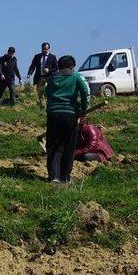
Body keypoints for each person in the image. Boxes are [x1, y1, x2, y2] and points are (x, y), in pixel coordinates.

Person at [45, 55, 90, 184]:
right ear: (72, 66)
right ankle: (65, 177)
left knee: (54, 146)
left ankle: (53, 176)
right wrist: (83, 111)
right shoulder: (77, 76)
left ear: (59, 66)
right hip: (70, 114)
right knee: (68, 146)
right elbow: (86, 93)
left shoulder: (52, 78)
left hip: (53, 114)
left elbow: (47, 92)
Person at [27, 42, 58, 107]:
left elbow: (56, 67)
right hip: (40, 77)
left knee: (47, 91)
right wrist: (29, 73)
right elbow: (32, 66)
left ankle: (49, 104)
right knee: (40, 92)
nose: (44, 50)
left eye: (46, 49)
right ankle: (43, 106)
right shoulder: (37, 56)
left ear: (49, 49)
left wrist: (49, 70)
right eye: (43, 49)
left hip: (49, 77)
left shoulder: (53, 57)